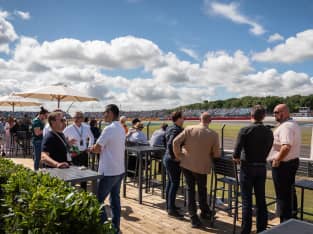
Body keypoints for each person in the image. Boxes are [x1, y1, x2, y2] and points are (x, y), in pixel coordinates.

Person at [173, 112, 220, 228]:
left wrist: (179, 155)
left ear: (200, 119)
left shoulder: (189, 129)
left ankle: (194, 217)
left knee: (190, 190)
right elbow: (217, 154)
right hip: (201, 166)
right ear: (210, 121)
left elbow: (175, 142)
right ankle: (203, 212)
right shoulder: (213, 134)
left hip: (186, 164)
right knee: (202, 190)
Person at [233, 105, 273, 233]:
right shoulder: (268, 131)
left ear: (251, 115)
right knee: (261, 199)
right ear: (264, 117)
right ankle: (262, 228)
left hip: (247, 168)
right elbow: (269, 149)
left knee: (246, 201)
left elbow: (235, 154)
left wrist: (240, 160)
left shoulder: (245, 130)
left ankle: (246, 230)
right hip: (261, 168)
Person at [90, 104, 125, 233]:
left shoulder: (109, 129)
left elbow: (98, 148)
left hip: (108, 171)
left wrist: (92, 148)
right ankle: (115, 228)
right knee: (115, 200)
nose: (103, 114)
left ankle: (105, 228)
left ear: (110, 113)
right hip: (119, 170)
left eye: (104, 112)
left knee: (97, 200)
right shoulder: (121, 127)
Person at [267, 104, 301, 223]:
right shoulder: (291, 124)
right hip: (290, 163)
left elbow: (286, 146)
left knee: (282, 195)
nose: (274, 114)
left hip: (283, 165)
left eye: (276, 112)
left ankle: (285, 221)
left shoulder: (286, 127)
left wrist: (277, 160)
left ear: (284, 113)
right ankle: (292, 219)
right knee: (289, 192)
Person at [63, 111, 94, 190]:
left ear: (82, 119)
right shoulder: (68, 128)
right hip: (74, 153)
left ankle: (84, 191)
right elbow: (62, 140)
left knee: (84, 173)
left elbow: (92, 137)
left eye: (78, 117)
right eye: (75, 117)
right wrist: (68, 142)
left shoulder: (86, 127)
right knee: (73, 173)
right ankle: (72, 191)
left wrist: (89, 147)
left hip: (84, 153)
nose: (76, 119)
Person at [163, 111, 184, 218]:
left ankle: (169, 205)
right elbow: (171, 143)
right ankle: (171, 209)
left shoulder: (170, 128)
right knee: (174, 183)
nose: (184, 120)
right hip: (172, 160)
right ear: (179, 119)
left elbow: (164, 141)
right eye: (183, 118)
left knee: (170, 182)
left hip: (167, 158)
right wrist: (174, 156)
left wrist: (168, 152)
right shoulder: (176, 130)